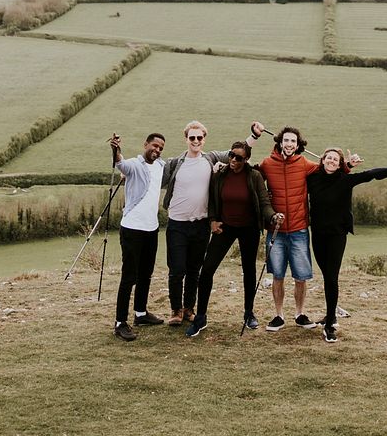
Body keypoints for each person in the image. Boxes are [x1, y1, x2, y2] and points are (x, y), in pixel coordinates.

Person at [308, 149, 387, 342]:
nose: (331, 161)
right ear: (322, 161)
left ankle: (331, 323)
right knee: (326, 276)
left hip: (337, 235)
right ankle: (330, 313)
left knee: (332, 277)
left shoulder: (345, 180)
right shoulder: (312, 179)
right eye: (329, 158)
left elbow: (371, 175)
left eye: (335, 159)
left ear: (340, 163)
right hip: (317, 234)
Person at [185, 142, 284, 338]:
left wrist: (272, 217)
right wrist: (213, 220)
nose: (233, 160)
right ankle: (201, 317)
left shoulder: (254, 176)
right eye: (231, 155)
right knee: (207, 270)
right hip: (225, 227)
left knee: (249, 271)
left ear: (246, 159)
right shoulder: (220, 175)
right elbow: (213, 200)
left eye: (238, 158)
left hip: (249, 228)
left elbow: (264, 202)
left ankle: (248, 313)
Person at [248, 123, 329, 331]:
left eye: (293, 141)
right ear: (280, 142)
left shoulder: (304, 163)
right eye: (286, 140)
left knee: (301, 276)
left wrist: (346, 165)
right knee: (277, 275)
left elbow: (328, 170)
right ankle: (278, 316)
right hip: (276, 230)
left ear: (298, 144)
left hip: (299, 229)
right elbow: (251, 176)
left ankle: (300, 314)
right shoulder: (268, 163)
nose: (289, 144)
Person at [160, 121, 239, 326]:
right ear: (186, 139)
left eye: (199, 137)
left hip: (201, 224)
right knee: (177, 269)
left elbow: (238, 153)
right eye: (192, 137)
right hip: (177, 223)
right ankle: (175, 310)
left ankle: (188, 309)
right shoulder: (175, 162)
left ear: (204, 139)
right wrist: (128, 173)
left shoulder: (210, 158)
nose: (196, 141)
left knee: (195, 269)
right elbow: (152, 175)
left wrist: (254, 135)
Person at [109, 131, 167, 341]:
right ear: (146, 145)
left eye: (160, 148)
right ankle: (120, 323)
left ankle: (141, 314)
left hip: (152, 229)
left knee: (146, 274)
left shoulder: (161, 166)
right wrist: (116, 149)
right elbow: (121, 163)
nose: (157, 150)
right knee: (129, 276)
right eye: (154, 146)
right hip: (132, 228)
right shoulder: (134, 164)